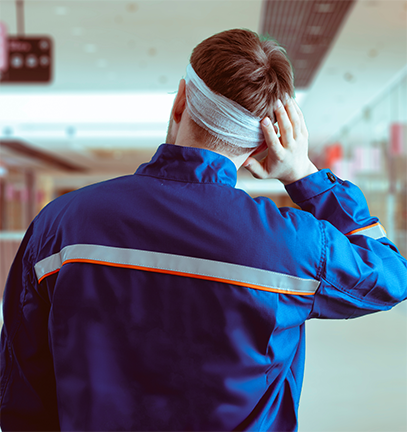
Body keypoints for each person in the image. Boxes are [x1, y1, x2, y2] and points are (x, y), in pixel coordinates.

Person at [0, 28, 406, 432]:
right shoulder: (290, 246)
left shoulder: (62, 224)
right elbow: (391, 274)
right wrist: (305, 176)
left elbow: (22, 390)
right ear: (266, 143)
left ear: (180, 101)